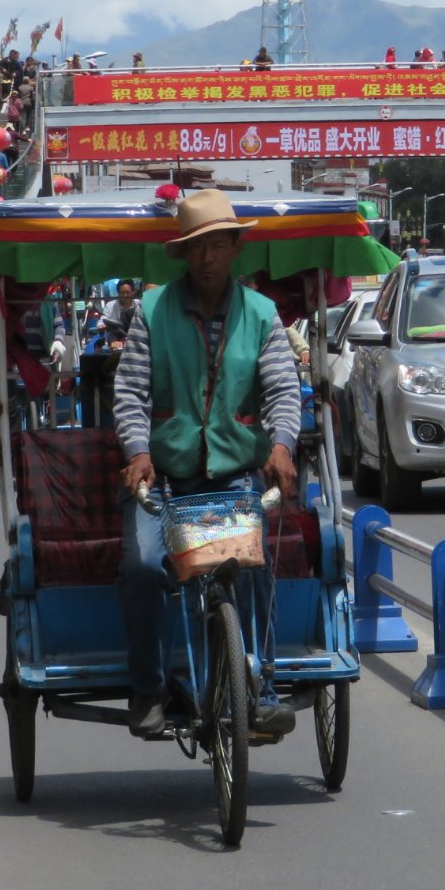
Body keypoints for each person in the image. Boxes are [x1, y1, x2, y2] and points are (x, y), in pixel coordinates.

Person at [112, 190, 300, 738]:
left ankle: (259, 687)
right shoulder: (152, 311)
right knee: (145, 568)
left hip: (232, 474)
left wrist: (282, 445)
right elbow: (130, 393)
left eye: (217, 246)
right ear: (185, 254)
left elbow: (283, 391)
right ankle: (146, 688)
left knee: (252, 567)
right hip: (165, 478)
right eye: (197, 248)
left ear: (234, 248)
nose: (207, 259)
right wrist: (138, 453)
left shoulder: (262, 314)